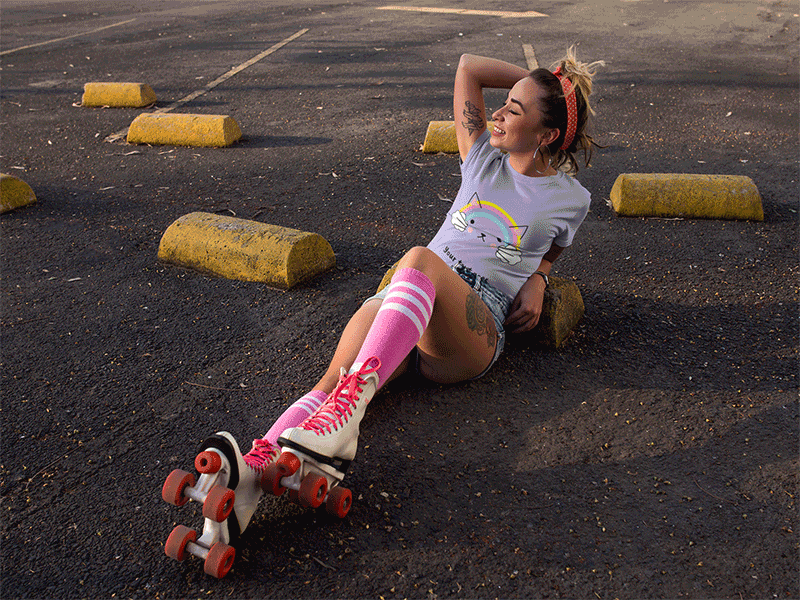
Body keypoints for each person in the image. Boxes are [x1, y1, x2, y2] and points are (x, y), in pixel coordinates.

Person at [166, 47, 605, 560]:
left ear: (548, 136)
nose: (500, 113)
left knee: (417, 259)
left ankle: (347, 414)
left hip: (470, 327)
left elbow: (555, 245)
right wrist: (544, 82)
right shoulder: (484, 156)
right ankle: (254, 475)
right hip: (405, 303)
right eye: (503, 104)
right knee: (328, 383)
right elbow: (468, 66)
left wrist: (539, 277)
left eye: (516, 110)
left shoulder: (570, 198)